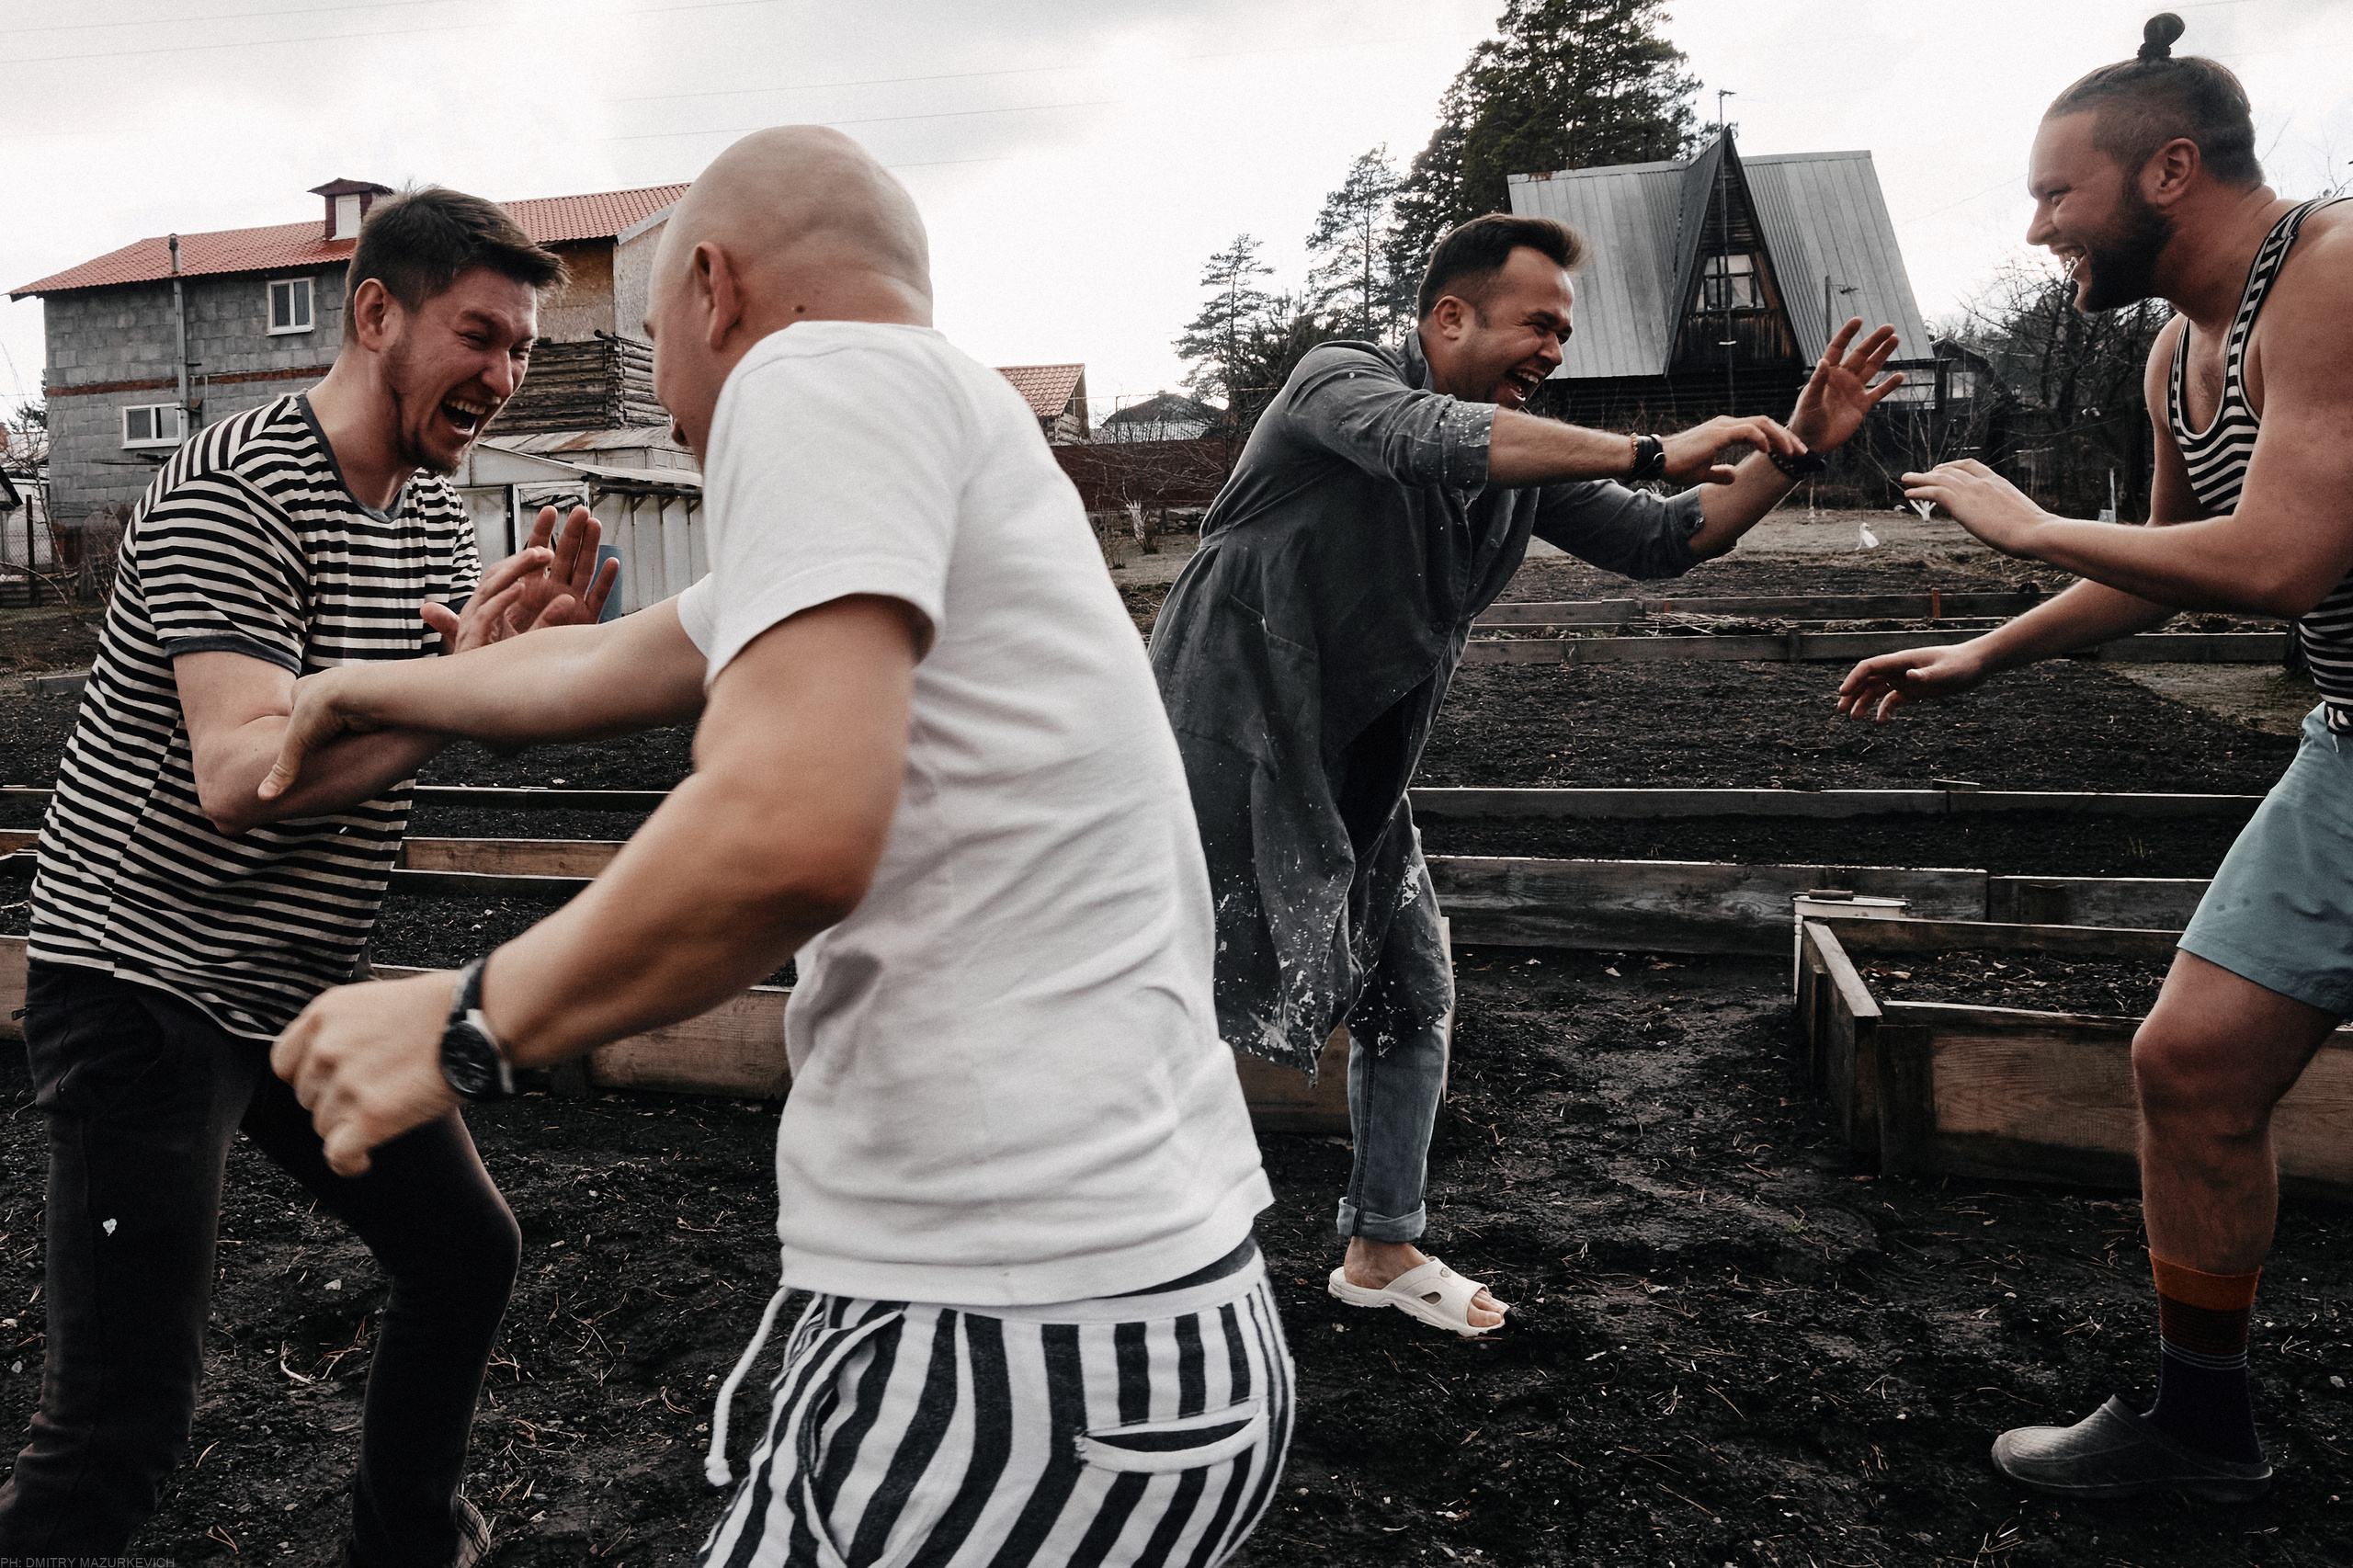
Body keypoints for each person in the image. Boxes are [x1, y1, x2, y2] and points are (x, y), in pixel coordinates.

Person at [259, 125, 1288, 1568]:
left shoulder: (815, 379)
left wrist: (461, 1018)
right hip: (1122, 1311)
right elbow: (602, 665)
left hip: (1017, 1340)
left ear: (711, 289)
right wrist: (353, 686)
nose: (675, 400)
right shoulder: (939, 428)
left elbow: (792, 826)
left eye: (649, 331)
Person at [1149, 211, 1904, 1338]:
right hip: (1218, 745)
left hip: (1355, 765)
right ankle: (1099, 1243)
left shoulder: (1520, 457)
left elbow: (1666, 537)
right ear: (1450, 317)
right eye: (1537, 323)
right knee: (1161, 997)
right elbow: (1425, 437)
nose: (1555, 348)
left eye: (1565, 329)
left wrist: (1792, 447)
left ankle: (1380, 1245)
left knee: (1413, 988)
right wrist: (1653, 443)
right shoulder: (1335, 383)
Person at [0, 188, 614, 1565]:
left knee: (463, 1251)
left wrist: (495, 675)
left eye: (520, 346)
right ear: (376, 313)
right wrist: (459, 693)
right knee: (119, 1425)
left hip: (288, 980)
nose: (504, 377)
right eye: (479, 335)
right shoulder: (236, 486)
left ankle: (405, 1548)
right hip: (139, 981)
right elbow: (240, 776)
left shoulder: (433, 517)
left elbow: (410, 712)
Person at [1836, 12, 2351, 1504]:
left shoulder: (2330, 275)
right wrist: (1982, 650)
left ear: (2169, 172)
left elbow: (2281, 556)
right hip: (2347, 749)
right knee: (2189, 1063)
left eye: (2058, 194)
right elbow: (2162, 569)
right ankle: (2201, 1428)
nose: (2038, 226)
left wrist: (2024, 520)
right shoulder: (2178, 357)